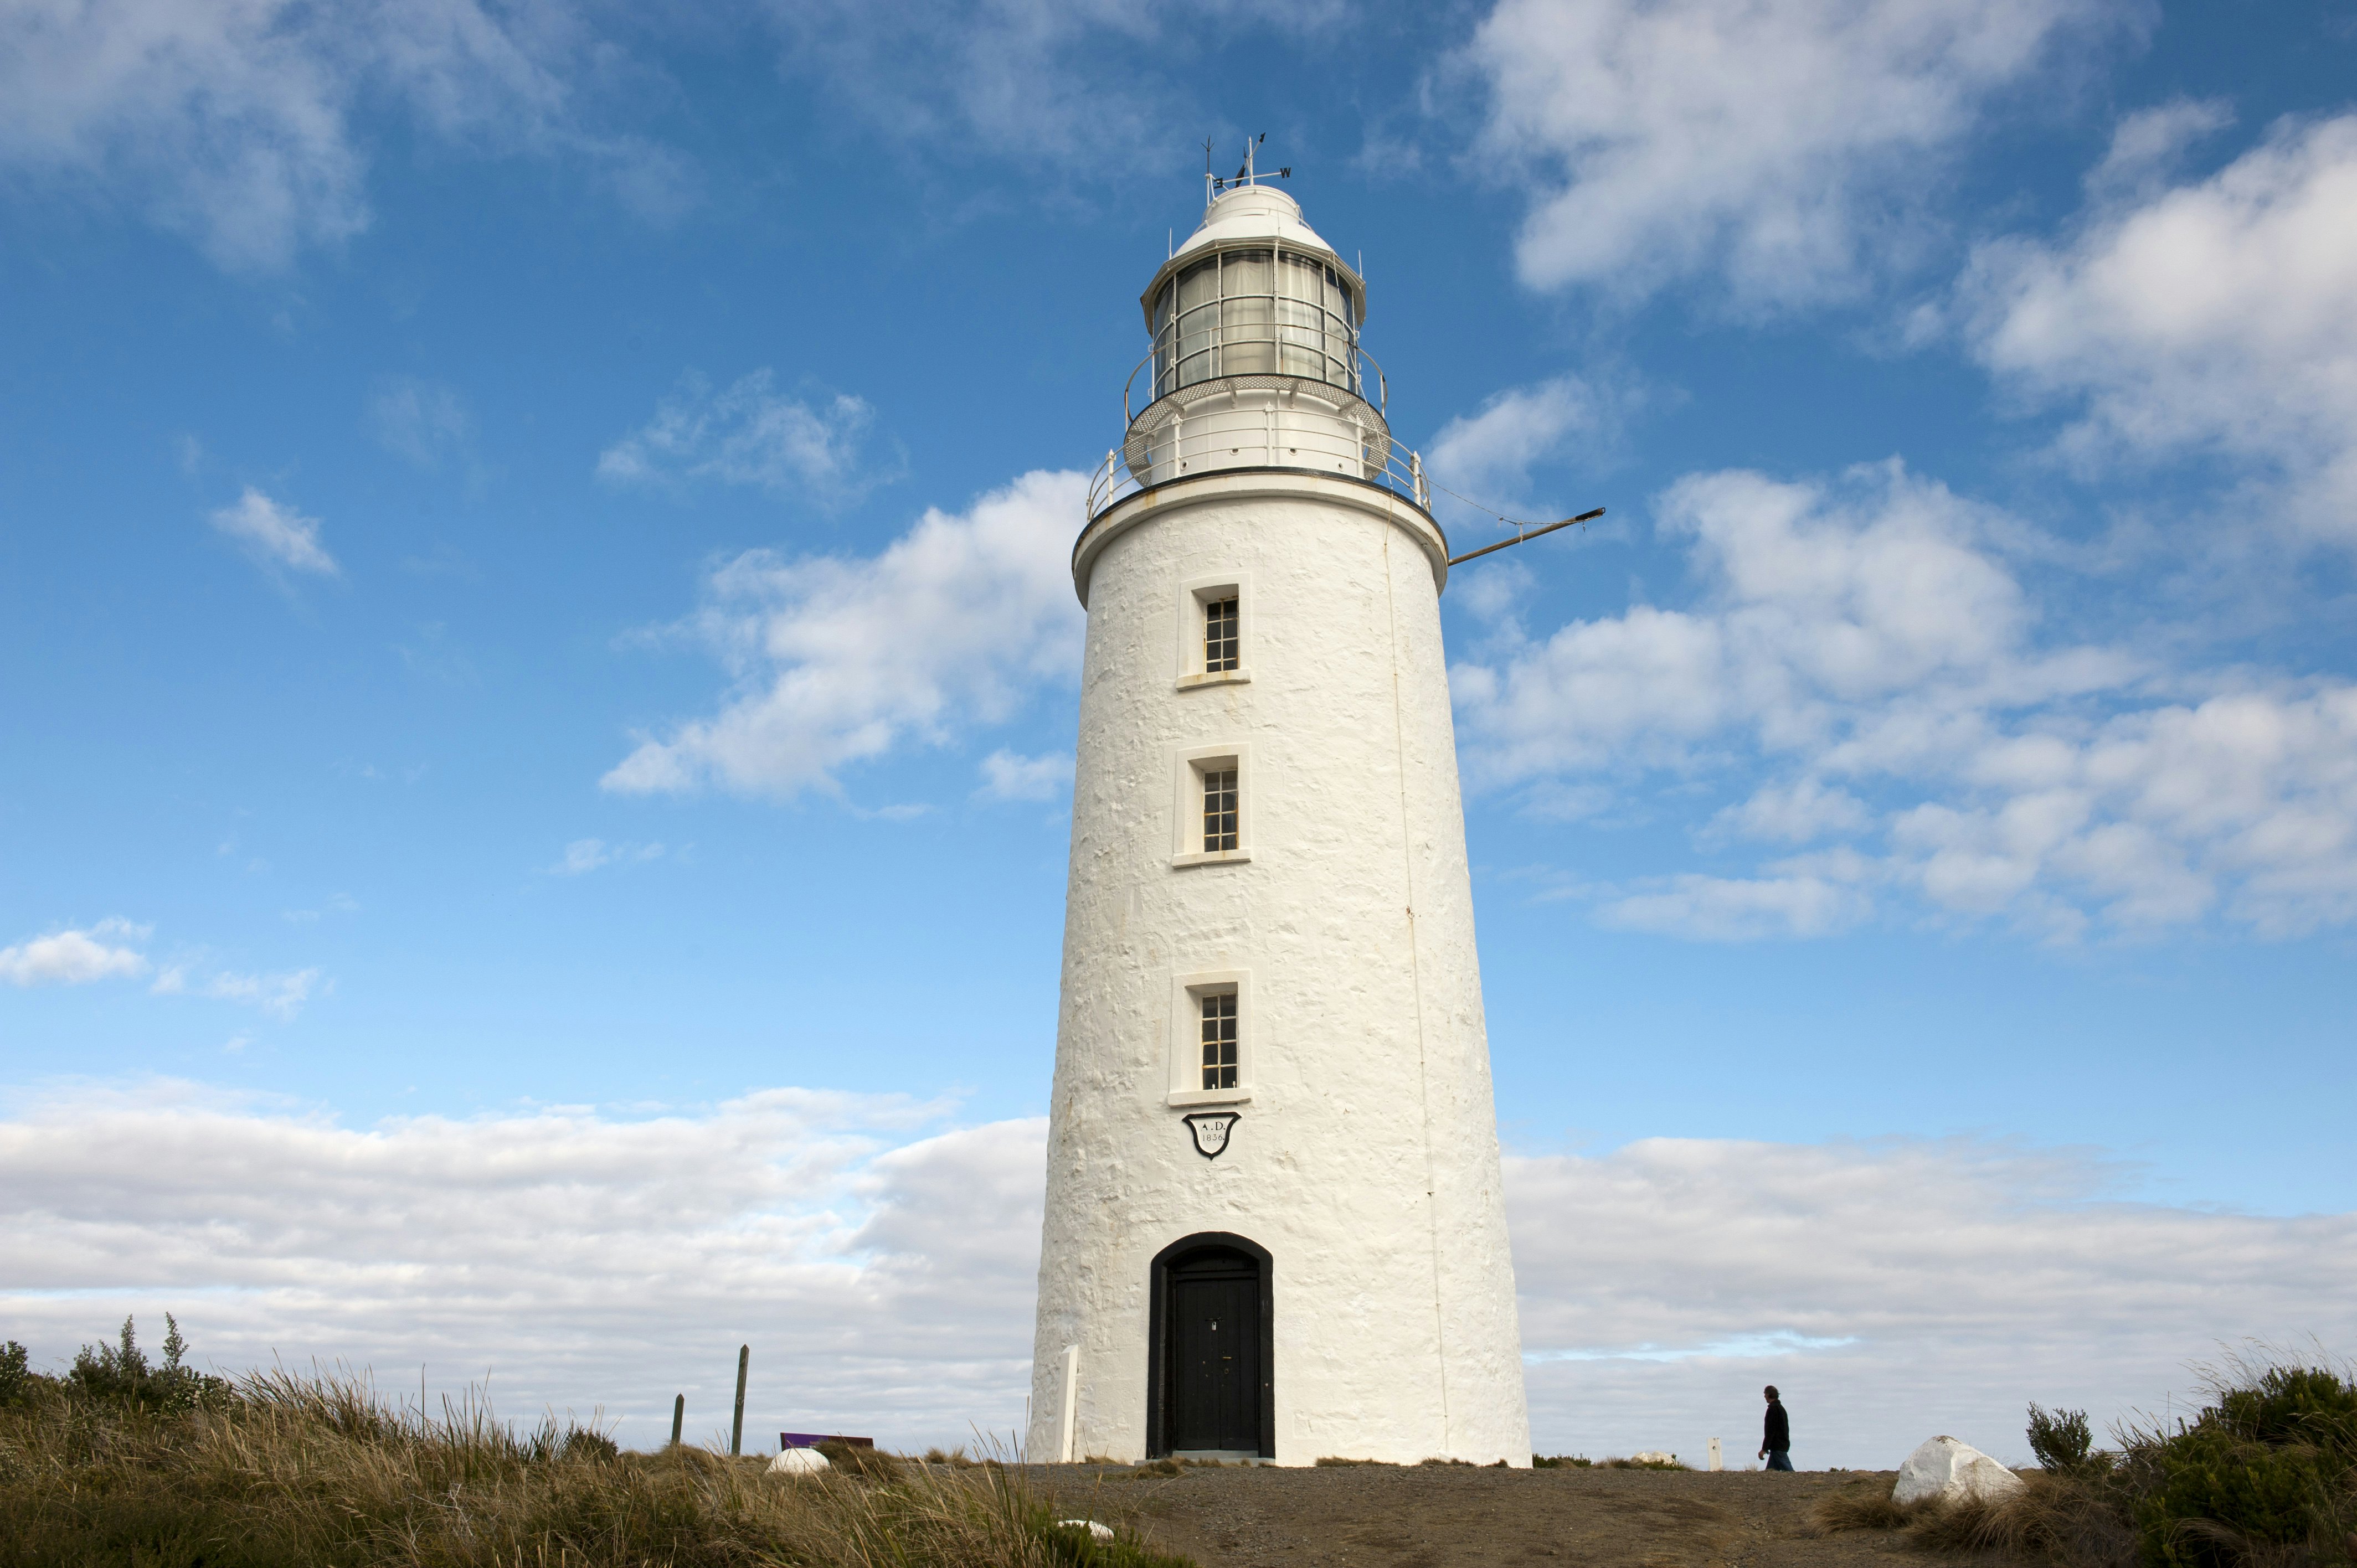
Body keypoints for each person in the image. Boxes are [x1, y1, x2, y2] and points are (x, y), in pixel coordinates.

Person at [1758, 1385, 1793, 1471]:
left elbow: (1771, 1431)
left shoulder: (1773, 1409)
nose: (1764, 1396)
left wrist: (1764, 1449)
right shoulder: (1781, 1409)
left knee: (1790, 1473)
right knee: (1770, 1474)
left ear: (1770, 1395)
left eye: (1765, 1394)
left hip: (1778, 1447)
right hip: (1779, 1446)